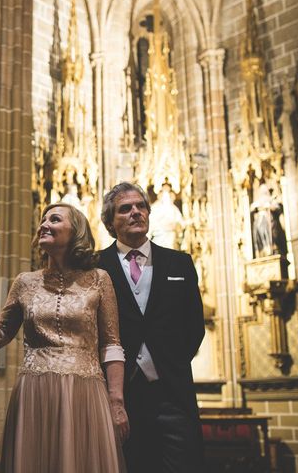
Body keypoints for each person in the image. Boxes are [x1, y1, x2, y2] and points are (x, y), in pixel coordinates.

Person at [0, 203, 129, 473]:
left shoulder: (100, 280)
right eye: (42, 219)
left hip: (85, 393)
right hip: (35, 391)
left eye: (54, 219)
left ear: (76, 231)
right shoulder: (24, 282)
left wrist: (117, 402)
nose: (44, 224)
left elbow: (112, 345)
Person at [98, 181, 205, 473]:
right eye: (125, 208)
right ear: (110, 221)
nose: (136, 212)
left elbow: (194, 326)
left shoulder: (179, 263)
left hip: (172, 392)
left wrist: (169, 362)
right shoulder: (96, 266)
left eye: (141, 206)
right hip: (121, 396)